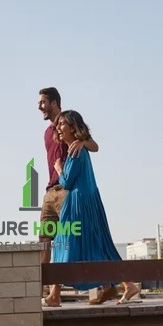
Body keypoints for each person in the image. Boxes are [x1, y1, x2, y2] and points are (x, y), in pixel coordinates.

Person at [42, 110, 139, 307]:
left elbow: (67, 182)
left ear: (72, 127)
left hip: (78, 204)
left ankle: (54, 295)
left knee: (62, 244)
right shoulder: (76, 147)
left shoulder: (75, 151)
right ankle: (127, 284)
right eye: (58, 125)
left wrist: (59, 169)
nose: (58, 128)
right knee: (97, 246)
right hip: (86, 202)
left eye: (62, 124)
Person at [37, 87, 107, 301]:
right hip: (50, 192)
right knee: (45, 240)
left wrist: (83, 142)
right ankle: (45, 290)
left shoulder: (69, 123)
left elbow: (94, 146)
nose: (39, 106)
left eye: (43, 102)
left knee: (66, 240)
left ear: (54, 103)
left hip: (67, 192)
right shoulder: (48, 132)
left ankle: (57, 292)